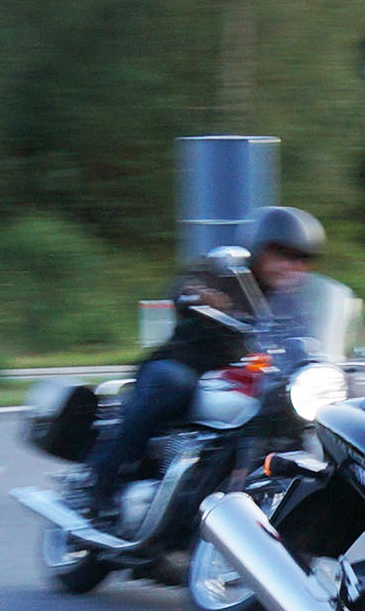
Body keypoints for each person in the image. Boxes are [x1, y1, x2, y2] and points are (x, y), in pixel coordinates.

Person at [80, 205, 327, 520]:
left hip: (242, 380)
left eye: (302, 259)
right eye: (283, 254)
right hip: (185, 365)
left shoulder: (292, 301)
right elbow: (183, 288)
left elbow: (309, 342)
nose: (291, 265)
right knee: (173, 385)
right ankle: (101, 482)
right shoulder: (223, 272)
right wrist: (197, 294)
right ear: (258, 248)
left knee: (294, 415)